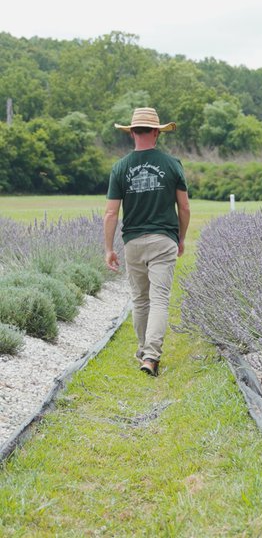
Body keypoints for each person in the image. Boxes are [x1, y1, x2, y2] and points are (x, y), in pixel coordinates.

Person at [103, 107, 191, 377]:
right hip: (163, 239)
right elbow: (184, 208)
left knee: (140, 300)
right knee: (160, 299)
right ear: (156, 132)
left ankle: (144, 350)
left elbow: (110, 212)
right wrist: (181, 237)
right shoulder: (172, 164)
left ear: (132, 133)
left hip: (133, 242)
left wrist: (109, 248)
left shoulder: (120, 167)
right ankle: (151, 356)